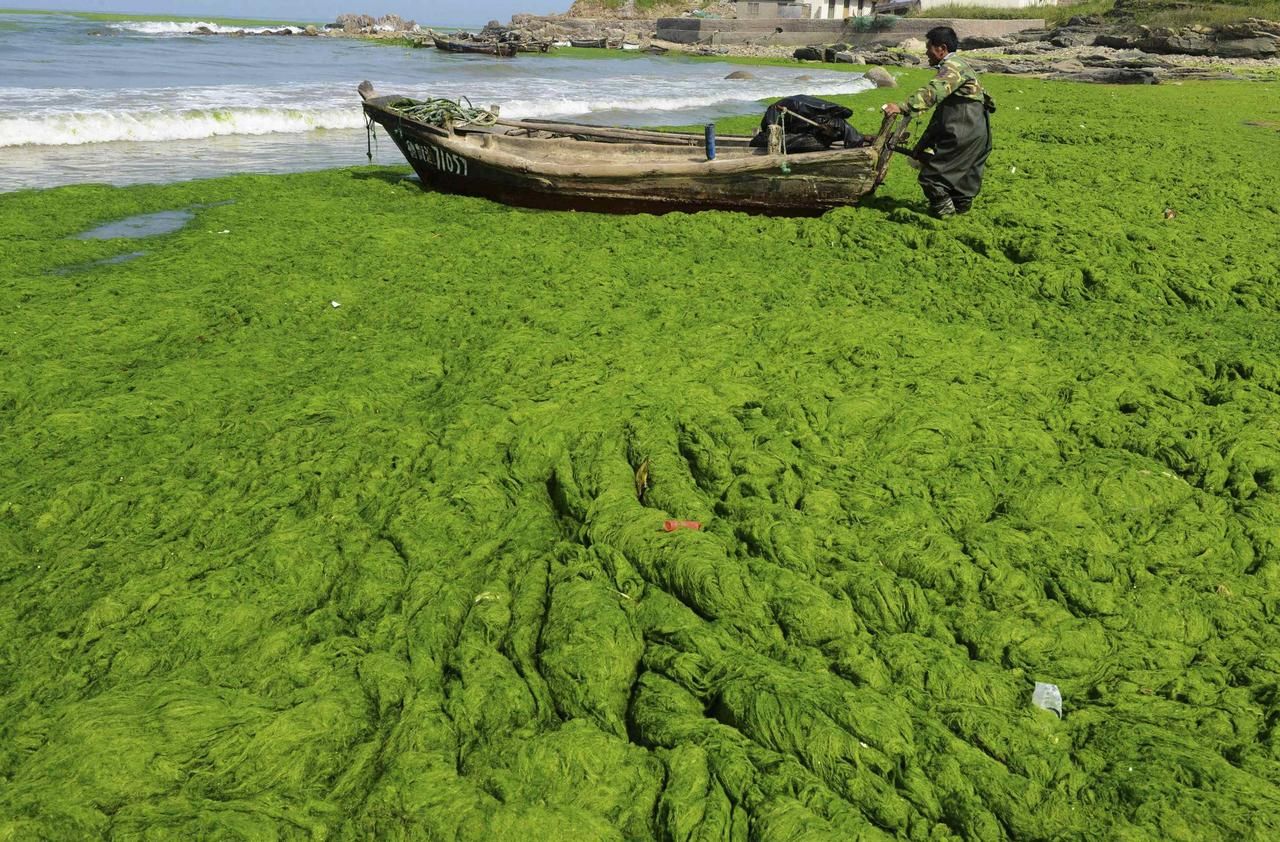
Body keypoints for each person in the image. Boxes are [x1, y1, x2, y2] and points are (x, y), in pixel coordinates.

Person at [882, 26, 995, 217]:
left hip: (964, 129)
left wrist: (902, 107)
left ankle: (945, 215)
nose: (927, 54)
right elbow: (942, 114)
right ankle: (959, 214)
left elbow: (933, 92)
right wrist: (924, 144)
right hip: (977, 130)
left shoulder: (953, 67)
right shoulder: (960, 66)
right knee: (963, 183)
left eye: (929, 49)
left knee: (932, 179)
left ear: (941, 48)